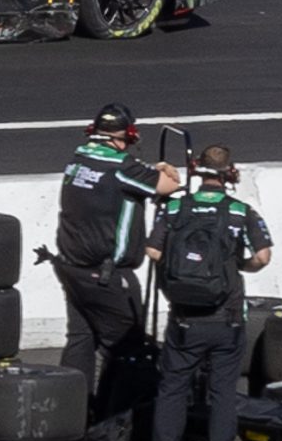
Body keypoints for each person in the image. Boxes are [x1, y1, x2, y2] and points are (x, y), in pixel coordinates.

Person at [144, 145, 273, 441]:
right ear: (229, 173)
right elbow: (263, 256)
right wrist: (235, 266)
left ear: (198, 171)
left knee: (172, 388)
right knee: (222, 392)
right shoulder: (239, 211)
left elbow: (153, 250)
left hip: (184, 317)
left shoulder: (174, 207)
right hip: (226, 316)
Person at [51, 103, 183, 396]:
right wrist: (165, 170)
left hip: (71, 268)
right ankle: (116, 422)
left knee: (81, 339)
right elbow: (169, 186)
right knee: (126, 346)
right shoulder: (122, 166)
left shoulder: (78, 158)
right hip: (106, 274)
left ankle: (71, 411)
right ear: (127, 134)